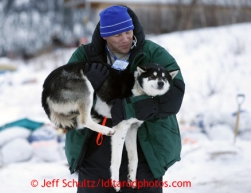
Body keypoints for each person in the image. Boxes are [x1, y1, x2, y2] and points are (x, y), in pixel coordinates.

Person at [64, 5, 185, 193]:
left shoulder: (153, 54)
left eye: (129, 32)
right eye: (117, 35)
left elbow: (175, 94)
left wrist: (128, 108)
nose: (126, 39)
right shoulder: (84, 56)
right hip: (95, 150)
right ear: (105, 36)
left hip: (145, 148)